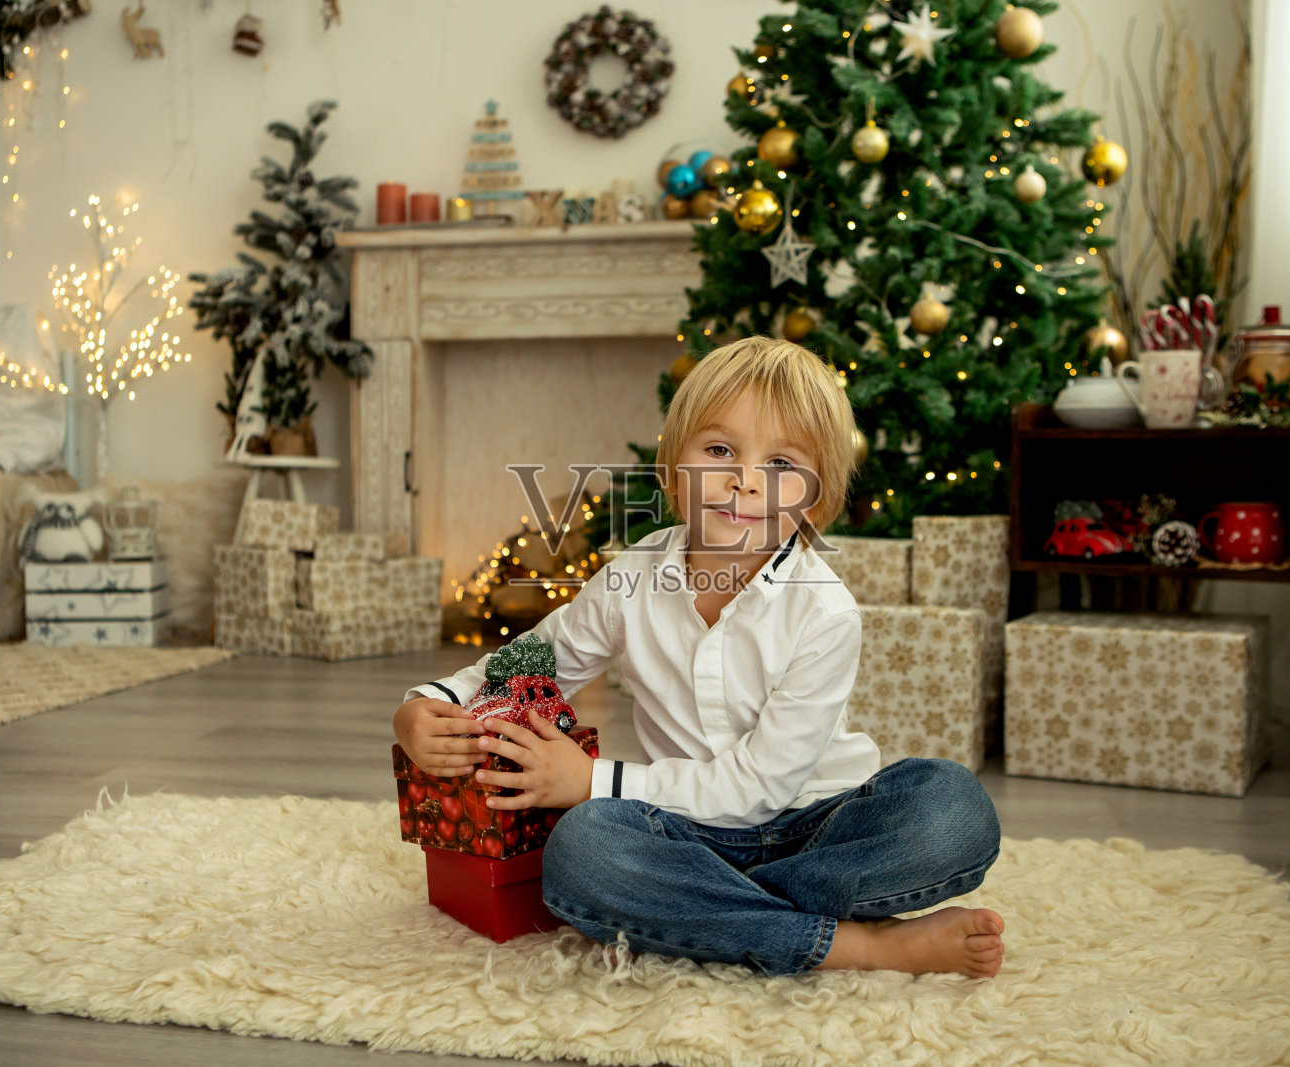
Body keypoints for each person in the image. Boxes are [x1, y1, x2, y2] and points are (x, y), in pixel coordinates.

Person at [392, 336, 1004, 978]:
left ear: (813, 504)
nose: (743, 481)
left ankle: (710, 912)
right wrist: (430, 703)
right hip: (683, 830)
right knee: (583, 849)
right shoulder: (634, 576)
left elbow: (764, 787)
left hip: (817, 827)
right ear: (671, 469)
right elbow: (538, 659)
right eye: (719, 451)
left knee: (952, 807)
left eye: (782, 466)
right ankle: (862, 944)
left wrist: (592, 781)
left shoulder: (825, 612)